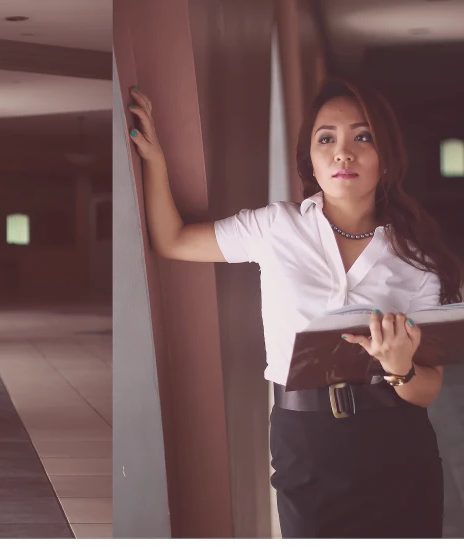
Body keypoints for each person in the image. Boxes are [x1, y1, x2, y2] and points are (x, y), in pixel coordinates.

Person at [128, 77, 463, 538]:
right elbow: (173, 240)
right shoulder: (276, 227)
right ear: (310, 158)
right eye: (327, 138)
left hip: (396, 442)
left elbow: (426, 390)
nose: (343, 153)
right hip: (304, 439)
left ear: (386, 159)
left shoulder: (418, 258)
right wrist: (155, 161)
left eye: (362, 137)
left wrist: (400, 366)